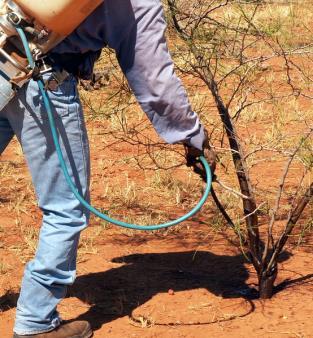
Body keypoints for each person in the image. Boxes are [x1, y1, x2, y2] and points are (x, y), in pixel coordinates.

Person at [0, 0, 215, 337]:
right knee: (66, 211)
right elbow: (154, 80)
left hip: (3, 55)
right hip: (43, 82)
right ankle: (36, 324)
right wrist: (191, 135)